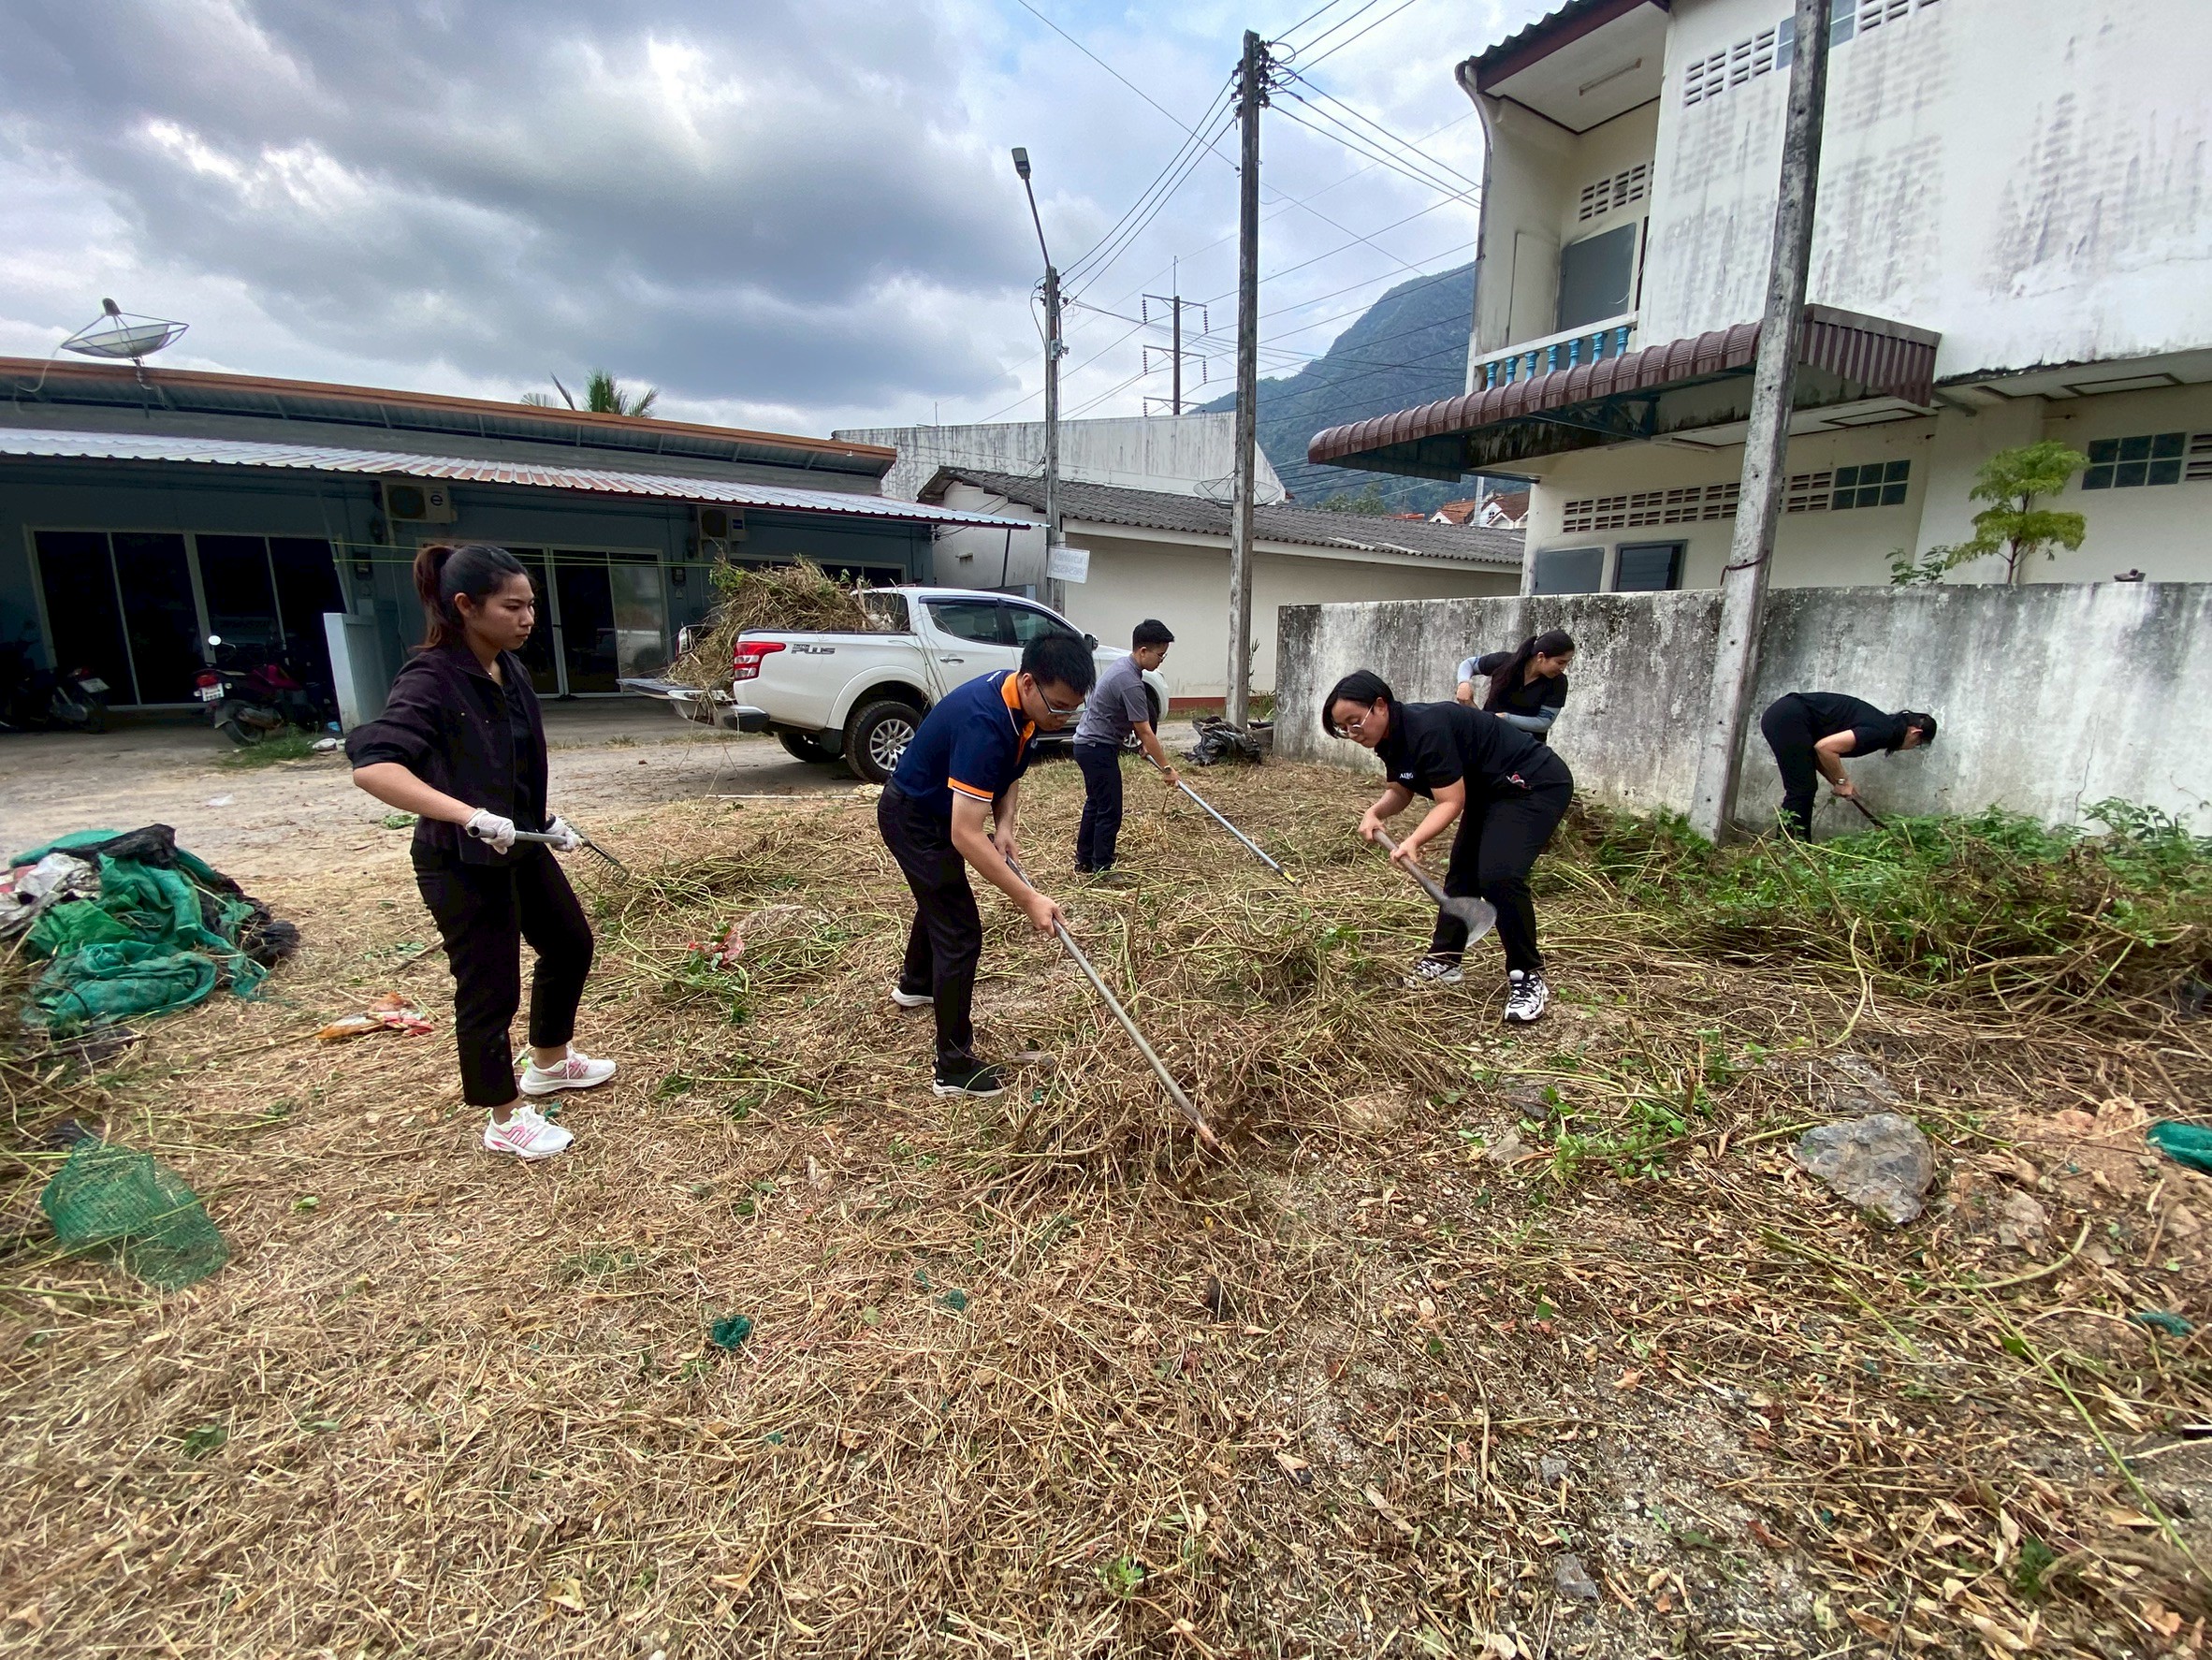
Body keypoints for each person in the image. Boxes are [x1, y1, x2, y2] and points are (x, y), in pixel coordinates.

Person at [347, 543, 613, 1161]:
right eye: (511, 606)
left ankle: (549, 1062)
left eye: (530, 606)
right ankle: (503, 1116)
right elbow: (375, 769)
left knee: (570, 942)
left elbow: (508, 759)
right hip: (461, 861)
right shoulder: (431, 678)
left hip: (520, 843)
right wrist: (469, 816)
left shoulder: (506, 666)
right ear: (466, 606)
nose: (527, 619)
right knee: (489, 987)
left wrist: (544, 819)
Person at [880, 632, 1098, 1097]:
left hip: (939, 809)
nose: (1061, 718)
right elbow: (963, 834)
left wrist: (1005, 825)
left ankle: (916, 984)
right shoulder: (985, 720)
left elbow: (1009, 771)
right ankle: (953, 1069)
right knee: (959, 932)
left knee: (939, 894)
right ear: (1030, 682)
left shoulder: (1024, 710)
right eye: (1057, 706)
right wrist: (1029, 898)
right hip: (914, 817)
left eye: (1070, 710)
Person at [1326, 668, 1574, 1024]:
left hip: (1531, 784)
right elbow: (1402, 788)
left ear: (1380, 706)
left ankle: (1527, 975)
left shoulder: (1427, 727)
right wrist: (1375, 812)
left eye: (1355, 722)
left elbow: (1450, 801)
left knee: (1500, 875)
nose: (1353, 733)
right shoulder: (1390, 738)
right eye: (1344, 729)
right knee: (1462, 875)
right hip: (1488, 792)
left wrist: (1413, 840)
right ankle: (1445, 960)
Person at [1072, 619, 1179, 883]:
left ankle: (1085, 859)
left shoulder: (1123, 670)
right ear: (1143, 651)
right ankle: (1102, 868)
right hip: (1097, 747)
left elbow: (1130, 724)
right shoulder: (1128, 679)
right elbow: (1144, 730)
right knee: (1109, 809)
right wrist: (1167, 768)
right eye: (1160, 655)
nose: (1161, 661)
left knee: (1096, 803)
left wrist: (1145, 748)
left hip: (1087, 745)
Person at [1758, 692, 1938, 837]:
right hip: (1789, 718)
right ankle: (1792, 848)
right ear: (1915, 733)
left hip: (1786, 716)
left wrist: (1839, 782)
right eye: (1917, 744)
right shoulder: (1882, 732)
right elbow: (1825, 748)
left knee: (1804, 787)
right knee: (1802, 789)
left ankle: (1796, 847)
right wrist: (1843, 782)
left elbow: (1817, 753)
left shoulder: (1882, 727)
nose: (1912, 748)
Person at [1455, 629, 1576, 741]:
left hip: (1526, 749)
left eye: (1567, 663)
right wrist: (1463, 683)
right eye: (1560, 662)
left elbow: (1542, 723)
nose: (1563, 668)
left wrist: (1504, 718)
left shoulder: (1558, 682)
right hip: (1489, 736)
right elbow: (1469, 664)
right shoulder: (1505, 662)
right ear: (1541, 657)